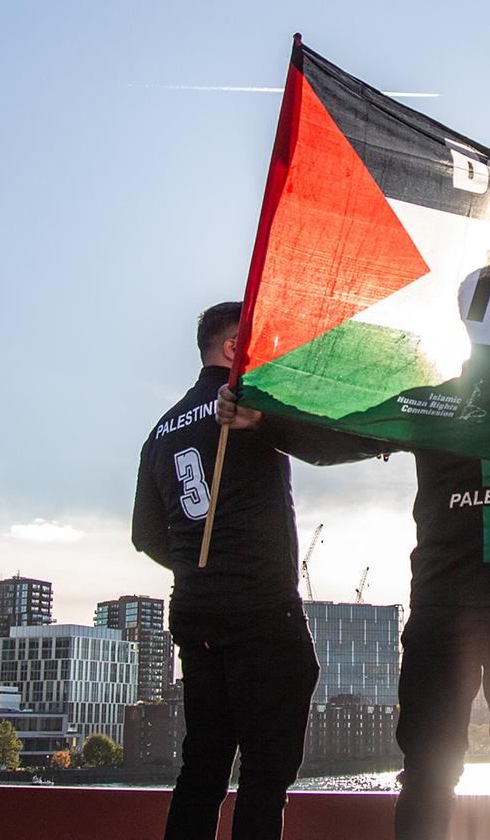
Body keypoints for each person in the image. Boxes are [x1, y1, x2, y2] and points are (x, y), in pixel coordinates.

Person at [132, 301, 380, 840]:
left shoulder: (159, 433)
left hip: (195, 616)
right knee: (266, 776)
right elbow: (326, 445)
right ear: (230, 349)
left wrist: (203, 570)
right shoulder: (247, 401)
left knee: (201, 767)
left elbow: (145, 536)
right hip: (262, 612)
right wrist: (384, 436)